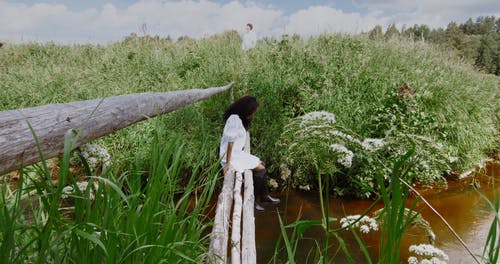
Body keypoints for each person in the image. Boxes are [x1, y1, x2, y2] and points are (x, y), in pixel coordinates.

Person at [220, 95, 280, 212]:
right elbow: (230, 143)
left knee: (262, 163)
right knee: (261, 169)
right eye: (252, 112)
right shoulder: (234, 119)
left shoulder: (238, 118)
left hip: (236, 153)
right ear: (246, 110)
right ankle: (251, 201)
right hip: (231, 156)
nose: (253, 115)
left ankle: (264, 196)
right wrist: (227, 163)